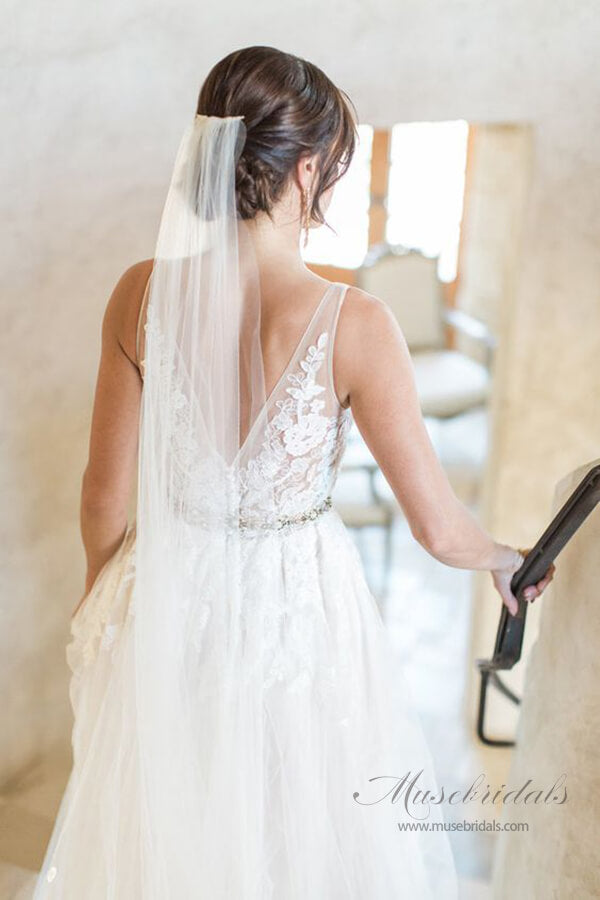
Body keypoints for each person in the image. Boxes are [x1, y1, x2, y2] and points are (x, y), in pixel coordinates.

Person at [34, 46, 554, 899]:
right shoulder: (359, 324)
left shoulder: (138, 294)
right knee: (296, 835)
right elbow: (437, 527)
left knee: (176, 829)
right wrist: (505, 559)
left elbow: (103, 498)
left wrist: (105, 601)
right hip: (298, 618)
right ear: (307, 168)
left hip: (165, 599)